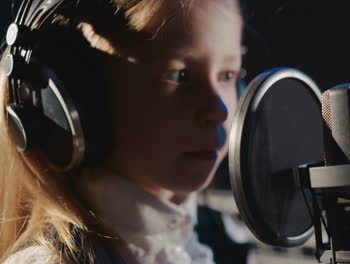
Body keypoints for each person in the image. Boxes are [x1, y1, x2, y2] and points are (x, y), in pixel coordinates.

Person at [0, 0, 247, 263]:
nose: (217, 110)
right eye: (179, 76)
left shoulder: (206, 241)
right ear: (84, 98)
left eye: (227, 75)